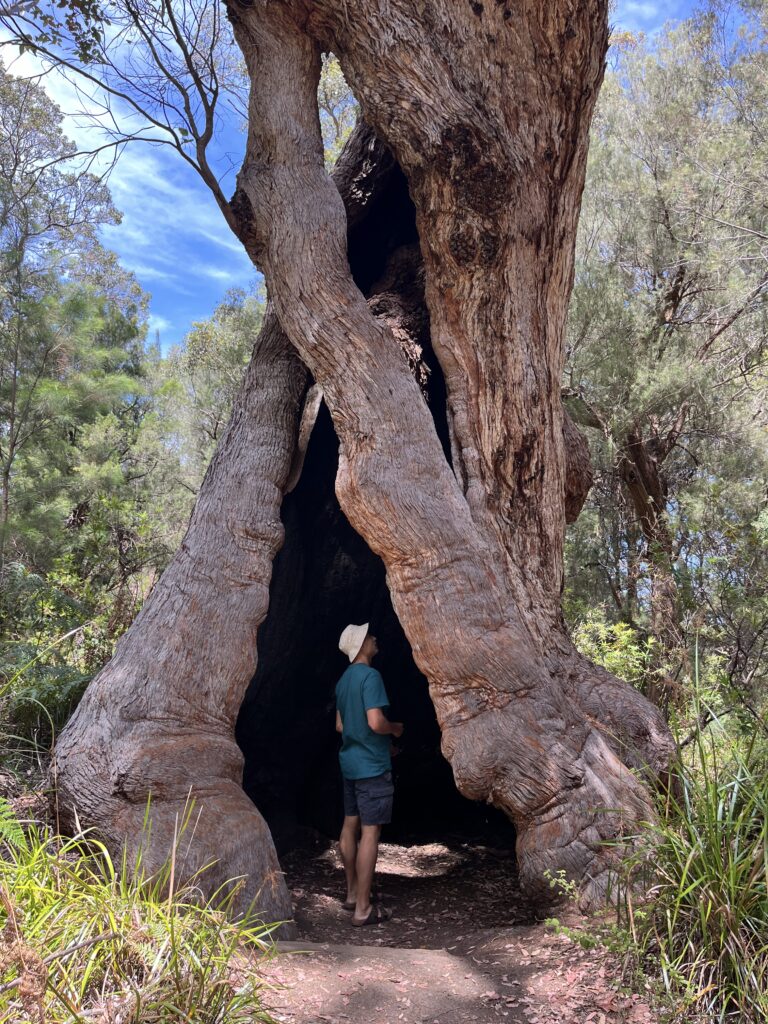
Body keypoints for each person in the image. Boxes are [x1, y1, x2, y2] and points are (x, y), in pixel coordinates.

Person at [335, 622, 403, 926]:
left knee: (350, 824)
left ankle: (351, 894)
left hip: (350, 763)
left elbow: (341, 726)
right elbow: (375, 721)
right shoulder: (370, 676)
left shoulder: (343, 681)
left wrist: (375, 741)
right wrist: (393, 730)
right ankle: (363, 908)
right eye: (369, 636)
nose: (374, 637)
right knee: (370, 833)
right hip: (372, 767)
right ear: (361, 646)